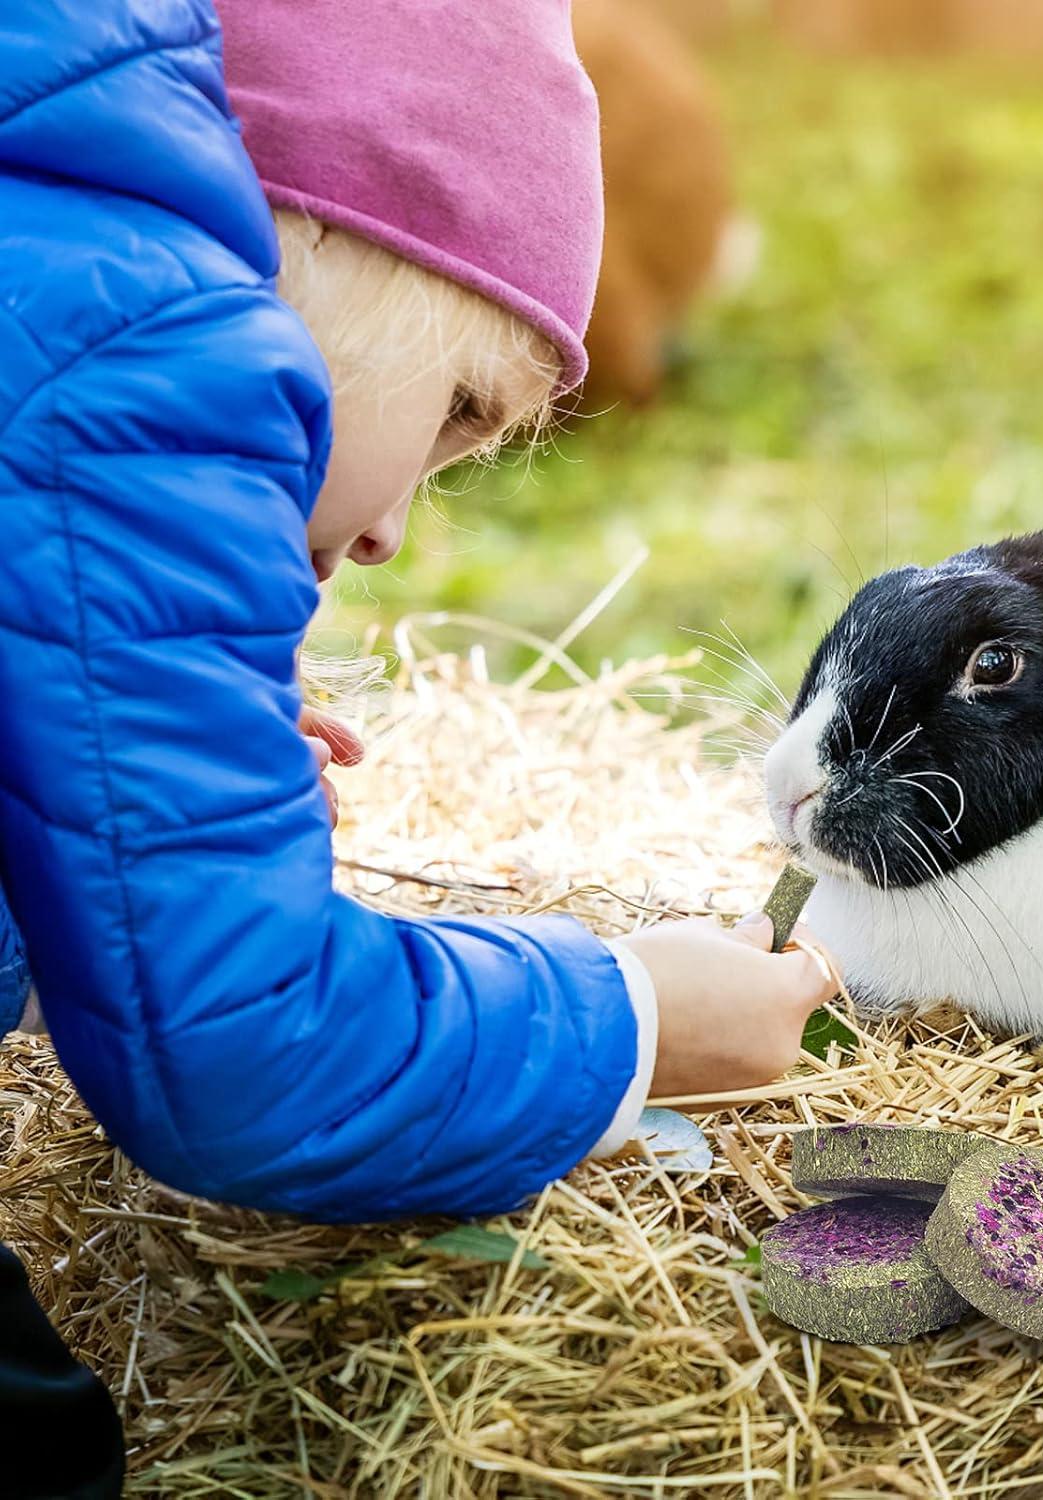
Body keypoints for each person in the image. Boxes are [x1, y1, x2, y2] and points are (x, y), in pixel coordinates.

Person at [0, 1, 835, 1492]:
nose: (391, 532)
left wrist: (82, 769)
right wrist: (637, 1017)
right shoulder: (158, 347)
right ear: (336, 237)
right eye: (457, 409)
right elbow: (244, 1050)